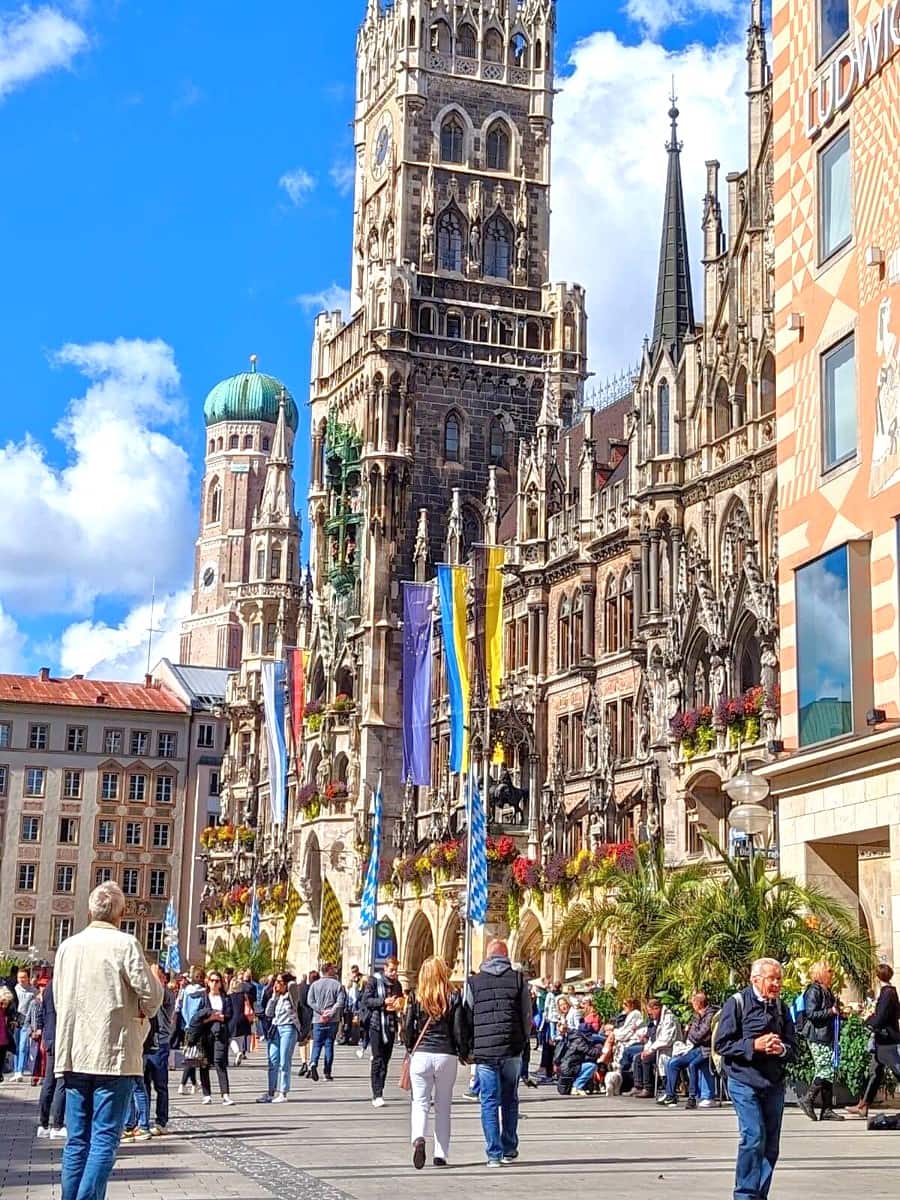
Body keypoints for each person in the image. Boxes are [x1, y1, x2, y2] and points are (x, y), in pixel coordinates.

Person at [54, 881, 163, 1200]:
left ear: (90, 910)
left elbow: (59, 998)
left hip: (74, 1051)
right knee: (103, 1139)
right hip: (113, 1053)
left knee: (77, 1140)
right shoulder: (125, 943)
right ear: (122, 913)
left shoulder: (68, 946)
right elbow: (152, 996)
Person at [715, 957, 797, 1200]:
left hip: (773, 1083)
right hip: (744, 1081)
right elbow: (722, 1044)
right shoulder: (737, 1003)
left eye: (778, 979)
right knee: (753, 1136)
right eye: (771, 979)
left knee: (771, 1145)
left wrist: (780, 1049)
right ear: (755, 980)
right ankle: (745, 1195)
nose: (776, 984)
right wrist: (754, 1045)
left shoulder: (782, 1008)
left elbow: (794, 1047)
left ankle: (759, 1195)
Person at [464, 939, 532, 1167]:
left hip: (484, 1052)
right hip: (511, 1048)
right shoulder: (518, 980)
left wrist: (470, 1047)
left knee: (489, 1101)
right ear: (506, 956)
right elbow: (526, 1016)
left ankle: (494, 1154)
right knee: (510, 1099)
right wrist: (523, 1041)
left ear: (488, 956)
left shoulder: (473, 982)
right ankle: (509, 1148)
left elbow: (467, 1016)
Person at [404, 956, 469, 1169]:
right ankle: (440, 1153)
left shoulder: (416, 996)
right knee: (443, 1106)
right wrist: (463, 1052)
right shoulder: (454, 996)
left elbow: (407, 1028)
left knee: (420, 1102)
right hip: (446, 1055)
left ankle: (419, 1139)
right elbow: (459, 1029)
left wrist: (410, 1047)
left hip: (421, 1055)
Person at [846, 962, 900, 1120]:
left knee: (897, 1071)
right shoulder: (890, 992)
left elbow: (881, 1017)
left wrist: (867, 1020)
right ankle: (863, 1105)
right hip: (883, 1040)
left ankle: (863, 1105)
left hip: (886, 1041)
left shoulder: (887, 993)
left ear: (877, 978)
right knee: (874, 1073)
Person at [798, 961, 843, 1121]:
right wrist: (830, 1011)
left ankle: (827, 1108)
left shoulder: (826, 990)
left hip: (827, 1035)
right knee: (825, 1069)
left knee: (829, 1071)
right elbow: (811, 1013)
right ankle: (808, 1099)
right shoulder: (814, 990)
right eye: (829, 971)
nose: (832, 974)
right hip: (817, 1035)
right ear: (820, 974)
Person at [659, 991, 717, 1108]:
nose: (692, 1005)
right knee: (673, 1063)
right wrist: (692, 1032)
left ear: (699, 1003)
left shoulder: (711, 1015)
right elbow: (694, 1034)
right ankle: (671, 1095)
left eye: (693, 1003)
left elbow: (700, 1034)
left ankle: (692, 1097)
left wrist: (691, 1032)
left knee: (693, 1065)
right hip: (695, 1048)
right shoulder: (696, 1015)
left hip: (706, 1050)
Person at [188, 971, 235, 1105]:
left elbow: (230, 1014)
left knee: (220, 1062)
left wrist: (223, 1017)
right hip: (205, 1033)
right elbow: (196, 1017)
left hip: (220, 1033)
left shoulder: (225, 998)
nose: (214, 983)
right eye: (212, 980)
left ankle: (225, 1094)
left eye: (217, 981)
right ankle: (206, 1094)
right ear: (208, 982)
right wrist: (211, 1017)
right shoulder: (203, 998)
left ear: (221, 983)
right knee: (204, 1064)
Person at [362, 956, 404, 1106]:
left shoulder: (397, 984)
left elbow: (400, 1000)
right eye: (391, 970)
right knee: (377, 1058)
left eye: (395, 970)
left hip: (391, 1025)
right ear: (385, 968)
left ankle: (381, 1088)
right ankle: (376, 1093)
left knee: (386, 1060)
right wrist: (383, 1002)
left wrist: (399, 1003)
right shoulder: (374, 981)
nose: (393, 973)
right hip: (376, 1025)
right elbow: (366, 1000)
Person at [259, 973, 301, 1103]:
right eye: (275, 982)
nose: (276, 984)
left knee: (284, 1061)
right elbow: (268, 1013)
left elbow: (293, 985)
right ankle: (271, 1091)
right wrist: (273, 997)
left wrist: (287, 983)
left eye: (279, 982)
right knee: (273, 1060)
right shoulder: (277, 997)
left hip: (288, 1028)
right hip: (276, 1028)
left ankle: (283, 1092)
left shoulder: (291, 995)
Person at [143, 964, 174, 1135]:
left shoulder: (167, 994)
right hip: (145, 1042)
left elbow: (159, 995)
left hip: (160, 1043)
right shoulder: (149, 992)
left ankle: (162, 1120)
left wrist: (154, 976)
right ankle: (143, 1121)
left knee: (160, 1084)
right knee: (143, 1085)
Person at [35, 976, 67, 1139]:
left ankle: (43, 1124)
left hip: (50, 1037)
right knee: (61, 1081)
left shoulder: (48, 988)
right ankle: (58, 1125)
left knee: (49, 1082)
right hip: (61, 1037)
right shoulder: (64, 985)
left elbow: (41, 1012)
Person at [632, 998, 679, 1097]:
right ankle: (639, 1086)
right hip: (659, 1048)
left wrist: (651, 1050)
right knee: (638, 1057)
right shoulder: (656, 1021)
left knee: (647, 1058)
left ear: (656, 1008)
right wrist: (647, 1049)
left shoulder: (669, 1019)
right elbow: (652, 1038)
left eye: (650, 1013)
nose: (650, 1015)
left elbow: (666, 1039)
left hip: (670, 1049)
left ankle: (648, 1088)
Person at [307, 963, 345, 1083]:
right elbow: (340, 1002)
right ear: (329, 970)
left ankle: (313, 1062)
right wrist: (331, 1012)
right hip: (332, 1020)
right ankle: (327, 1072)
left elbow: (310, 1001)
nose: (335, 970)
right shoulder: (338, 985)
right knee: (329, 1044)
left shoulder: (314, 985)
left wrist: (321, 1011)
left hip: (318, 1019)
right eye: (333, 969)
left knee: (317, 1044)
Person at [176, 968, 207, 1094]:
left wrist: (187, 1021)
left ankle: (194, 1084)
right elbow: (203, 1010)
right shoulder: (203, 993)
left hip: (188, 1025)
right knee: (192, 1057)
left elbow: (181, 1008)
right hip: (198, 1026)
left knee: (192, 1055)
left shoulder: (186, 991)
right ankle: (182, 1084)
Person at [12, 967, 37, 1082]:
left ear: (28, 978)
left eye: (23, 977)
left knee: (23, 1046)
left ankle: (20, 1071)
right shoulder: (14, 990)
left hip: (26, 1022)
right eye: (19, 977)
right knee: (15, 1047)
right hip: (16, 1021)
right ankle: (16, 1070)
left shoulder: (33, 991)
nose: (21, 980)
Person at [228, 969, 255, 1065]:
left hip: (234, 1019)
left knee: (230, 1038)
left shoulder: (229, 996)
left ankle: (238, 1052)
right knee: (240, 1038)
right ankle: (239, 1053)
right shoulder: (244, 996)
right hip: (244, 1019)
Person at [296, 970, 318, 1076]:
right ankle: (311, 1063)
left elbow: (298, 1003)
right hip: (315, 1016)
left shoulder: (301, 988)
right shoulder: (317, 988)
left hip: (303, 1016)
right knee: (313, 1040)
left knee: (302, 1041)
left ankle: (304, 1062)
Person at [341, 964, 363, 1045]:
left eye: (355, 972)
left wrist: (357, 981)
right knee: (348, 1022)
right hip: (349, 1003)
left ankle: (355, 1039)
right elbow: (348, 988)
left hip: (357, 1003)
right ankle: (346, 1038)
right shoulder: (350, 979)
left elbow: (361, 990)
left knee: (356, 1022)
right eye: (353, 972)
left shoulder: (361, 979)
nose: (354, 973)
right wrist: (351, 980)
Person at [0, 985, 17, 1083]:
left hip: (3, 1042)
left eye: (6, 1003)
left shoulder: (6, 1010)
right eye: (2, 1003)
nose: (4, 1005)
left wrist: (12, 1022)